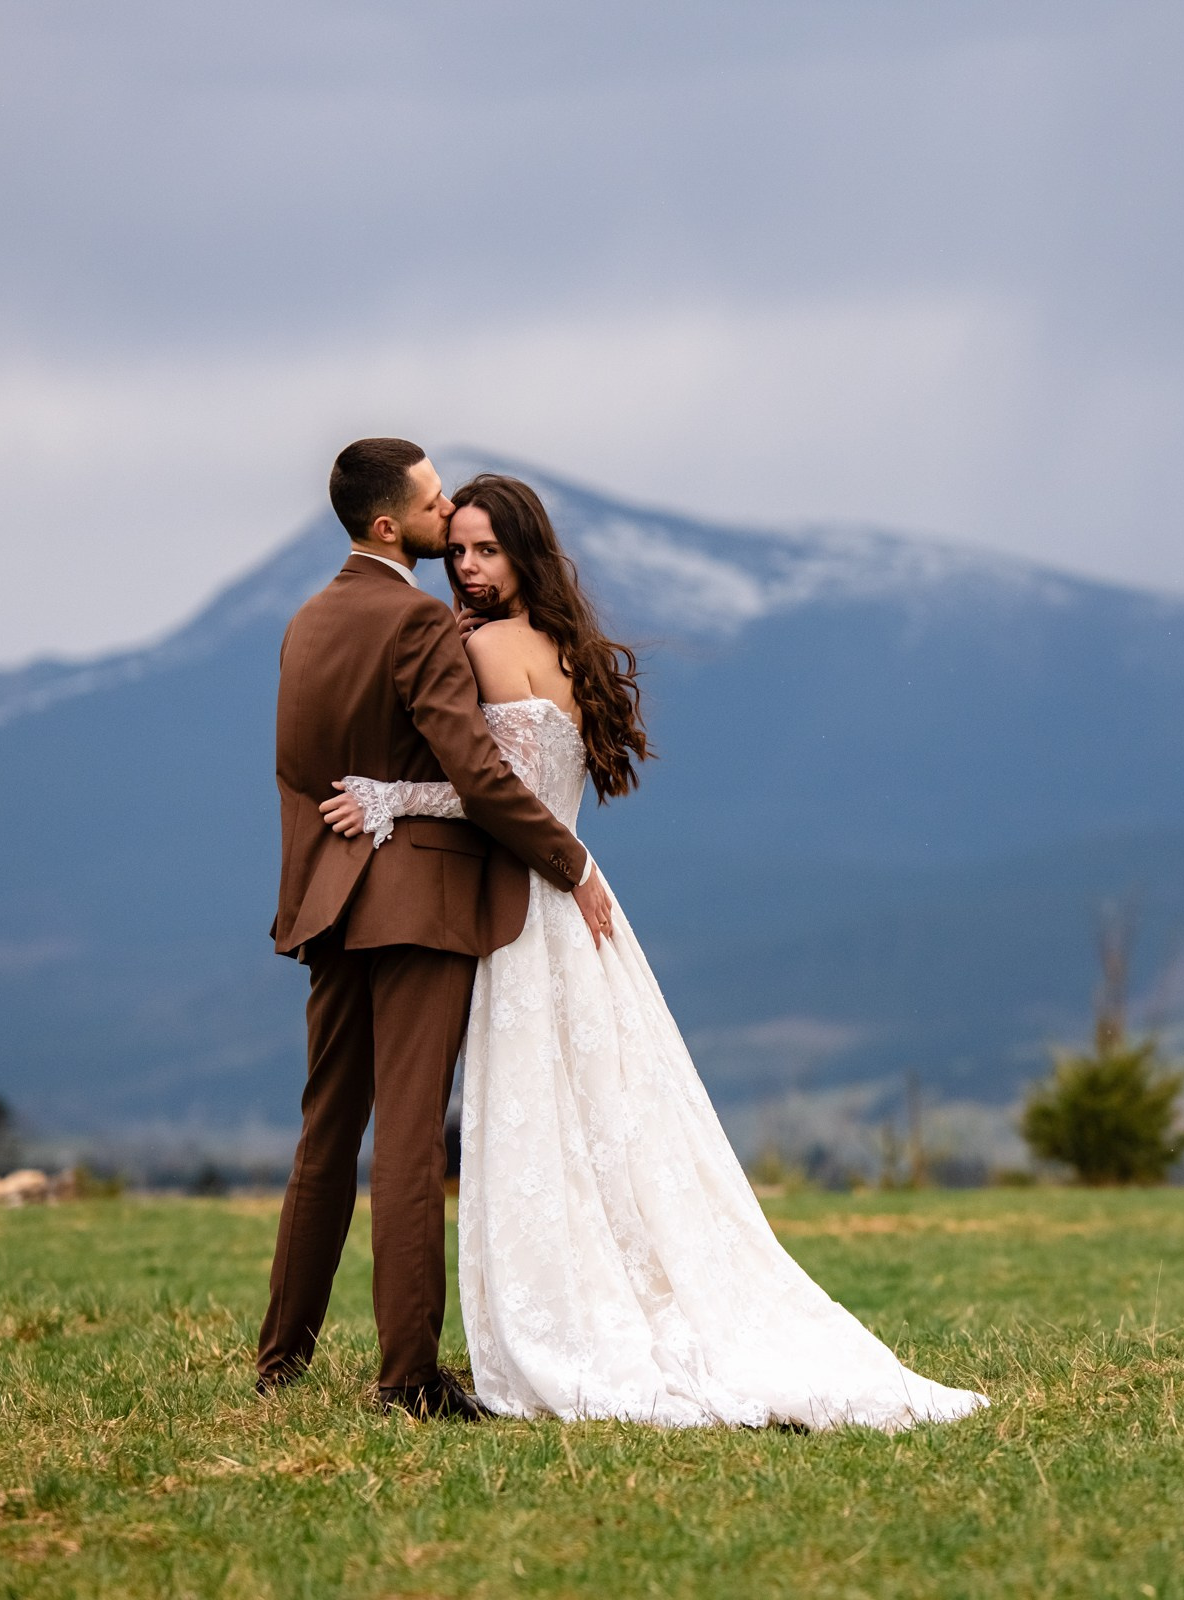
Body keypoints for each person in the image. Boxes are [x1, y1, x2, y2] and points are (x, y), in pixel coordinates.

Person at [321, 471, 986, 1431]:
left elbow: (488, 793)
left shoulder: (483, 648)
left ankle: (574, 1322)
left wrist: (389, 798)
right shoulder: (564, 646)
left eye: (484, 550)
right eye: (457, 549)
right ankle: (641, 1296)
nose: (464, 568)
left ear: (522, 554)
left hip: (524, 909)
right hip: (583, 896)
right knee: (611, 1121)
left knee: (543, 1124)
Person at [258, 439, 617, 1420]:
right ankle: (407, 1375)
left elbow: (300, 779)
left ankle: (280, 1353)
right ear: (391, 527)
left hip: (330, 907)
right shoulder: (419, 623)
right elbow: (482, 775)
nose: (445, 509)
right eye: (431, 503)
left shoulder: (304, 625)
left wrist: (316, 884)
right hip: (419, 910)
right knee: (412, 1145)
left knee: (325, 1137)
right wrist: (571, 860)